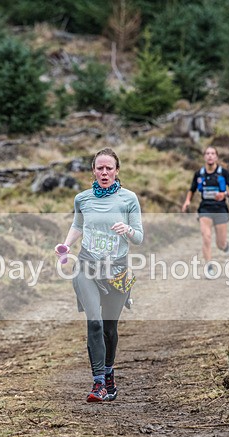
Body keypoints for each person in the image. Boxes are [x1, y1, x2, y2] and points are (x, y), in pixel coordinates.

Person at [55, 148, 144, 403]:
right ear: (93, 171)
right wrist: (66, 245)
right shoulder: (82, 198)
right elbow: (78, 225)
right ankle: (98, 384)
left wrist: (127, 229)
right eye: (100, 168)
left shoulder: (129, 199)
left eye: (109, 168)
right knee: (93, 322)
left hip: (116, 271)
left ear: (117, 171)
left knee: (108, 328)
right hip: (86, 267)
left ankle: (109, 373)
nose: (104, 172)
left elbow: (139, 238)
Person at [181, 146, 229, 277]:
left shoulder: (223, 173)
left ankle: (225, 246)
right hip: (205, 208)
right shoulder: (199, 174)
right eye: (207, 153)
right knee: (206, 237)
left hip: (220, 209)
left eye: (213, 153)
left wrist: (225, 194)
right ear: (204, 157)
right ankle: (209, 267)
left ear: (217, 157)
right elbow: (192, 189)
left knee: (220, 244)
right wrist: (187, 201)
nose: (210, 156)